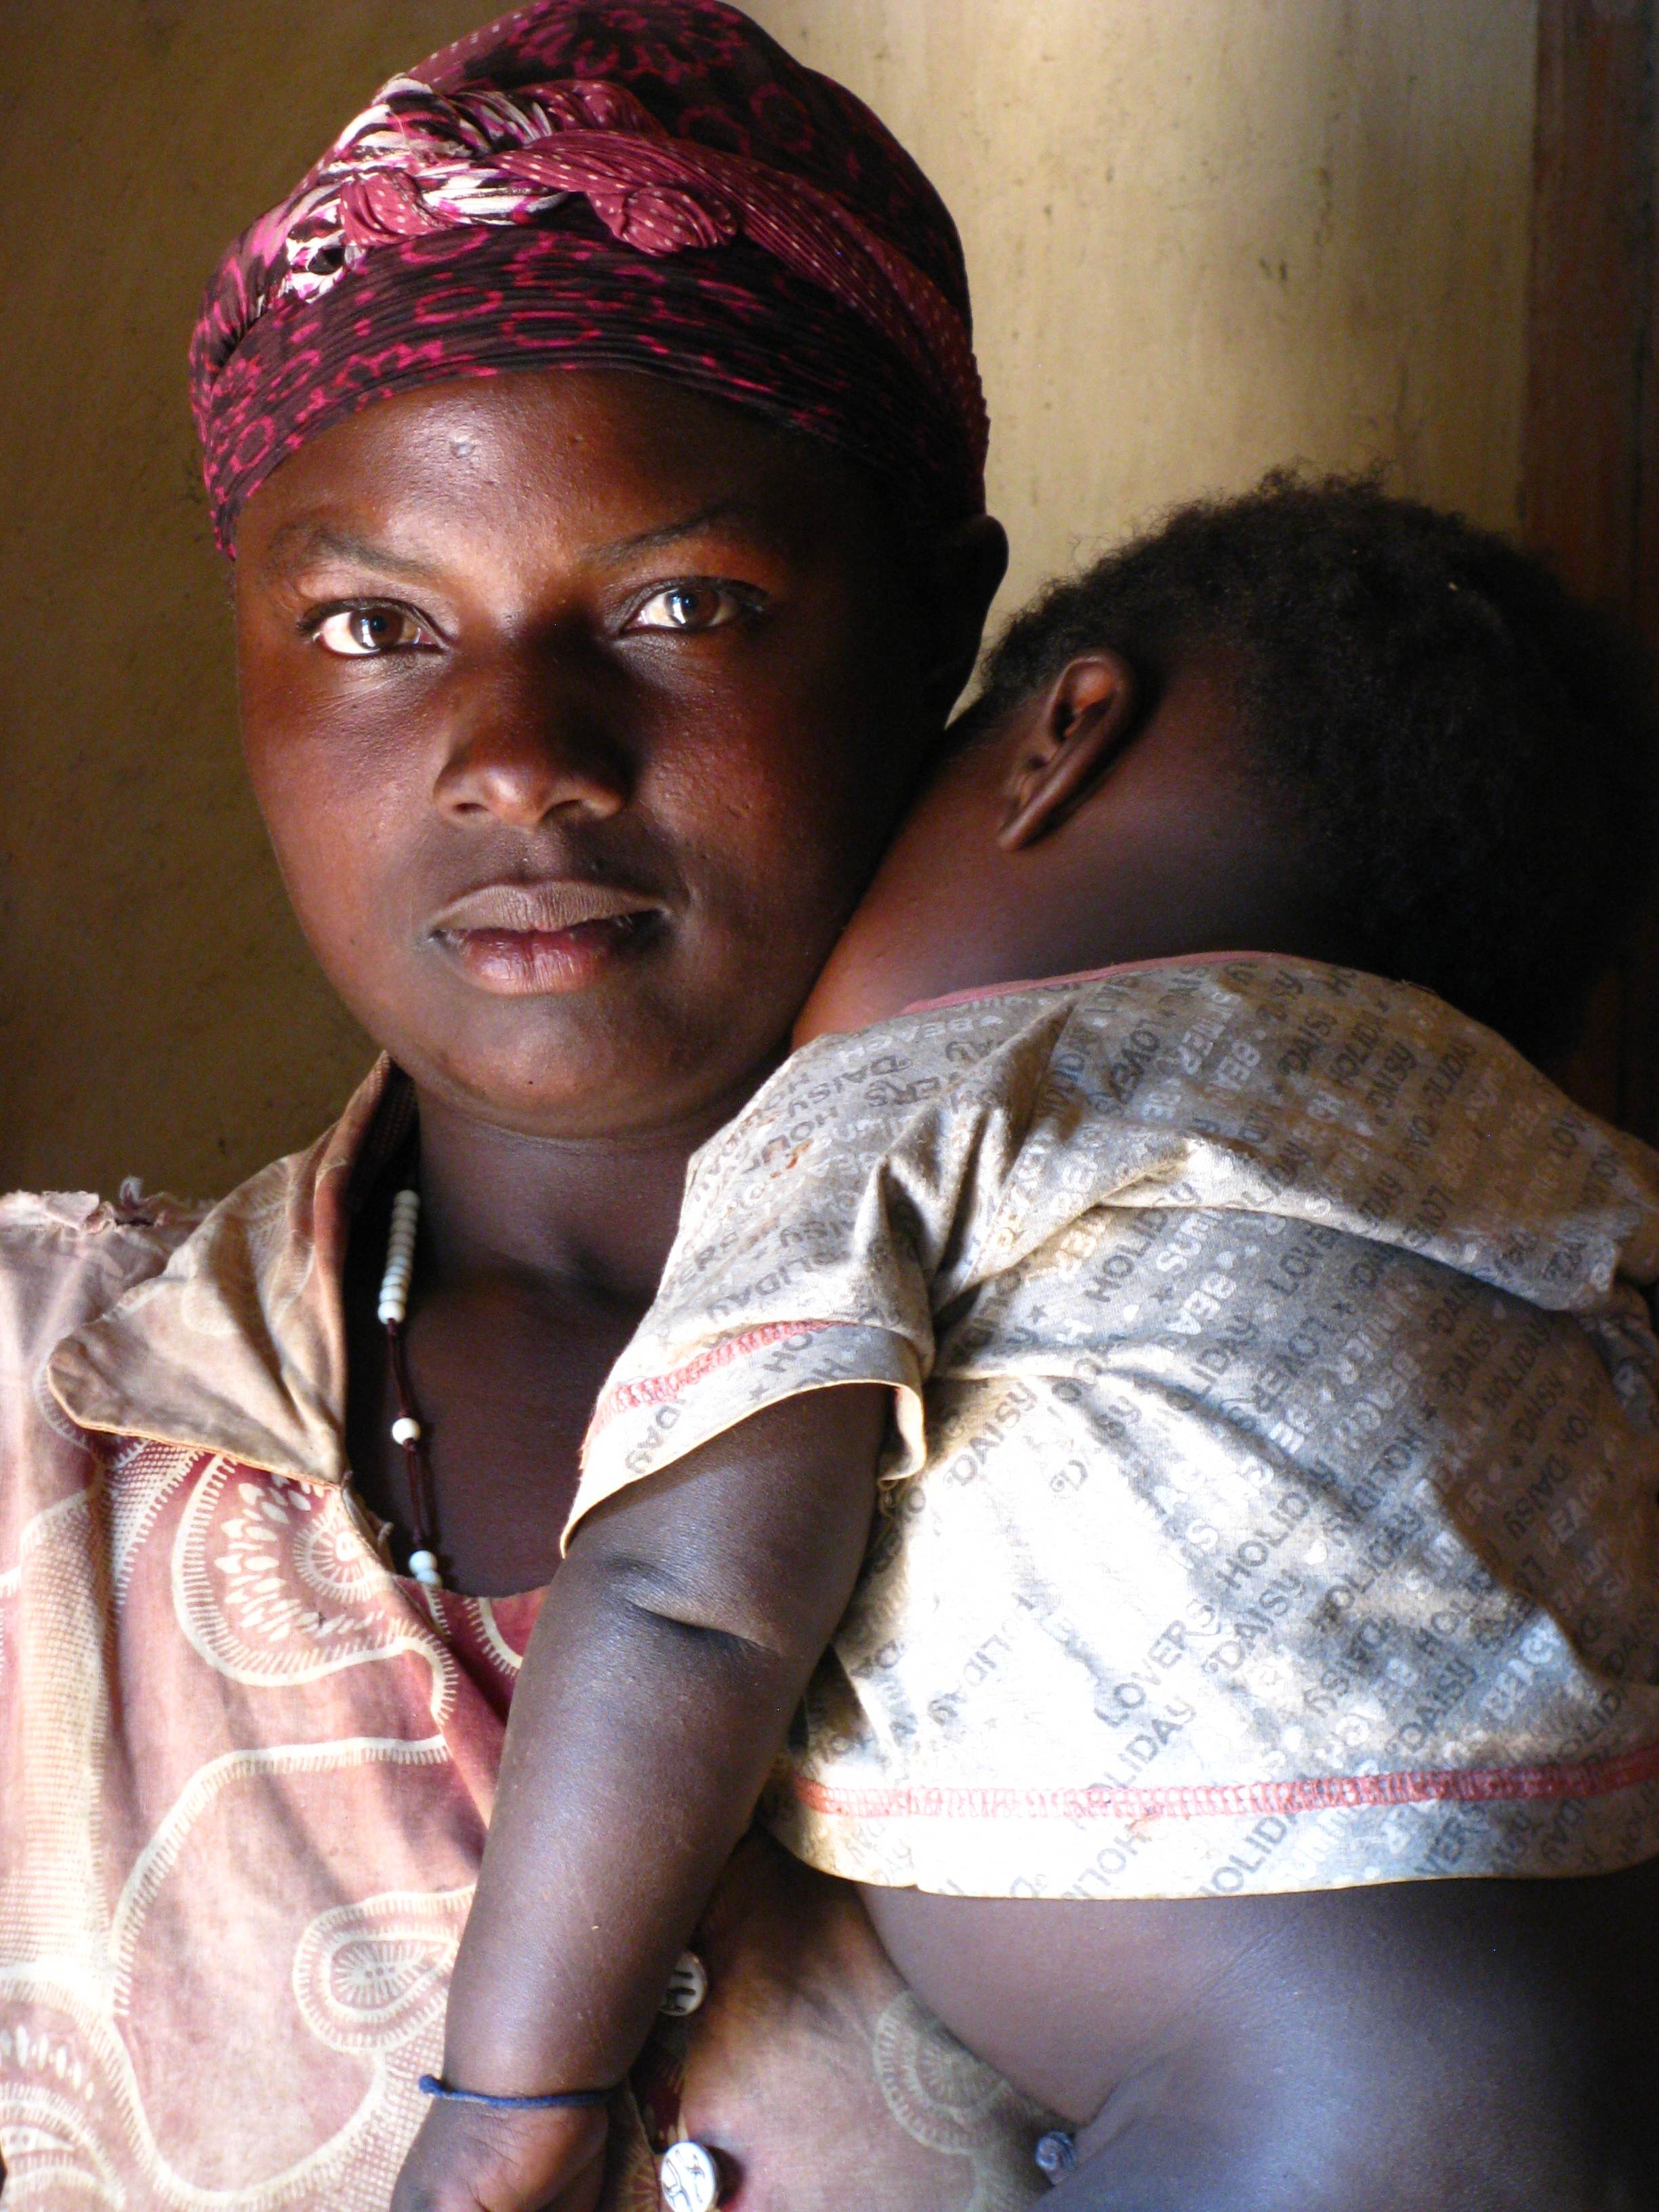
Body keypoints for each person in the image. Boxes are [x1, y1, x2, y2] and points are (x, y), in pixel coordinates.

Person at [0, 6, 1071, 2207]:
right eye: (375, 623)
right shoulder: (46, 1435)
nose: (518, 751)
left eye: (680, 603)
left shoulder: (1199, 1321)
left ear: (938, 629)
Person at [404, 479, 1659, 2212]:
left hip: (1280, 2120)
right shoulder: (1540, 1154)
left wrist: (506, 2103)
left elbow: (686, 1601)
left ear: (1060, 734)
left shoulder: (931, 1091)